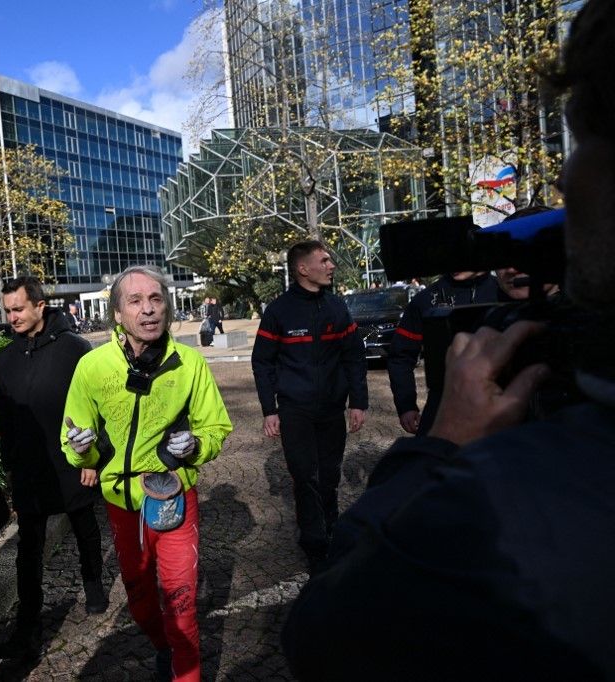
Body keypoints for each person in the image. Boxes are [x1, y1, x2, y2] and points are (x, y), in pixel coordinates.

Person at [282, 2, 615, 677]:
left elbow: (327, 631)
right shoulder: (422, 301)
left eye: (583, 142)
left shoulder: (530, 488)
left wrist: (438, 447)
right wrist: (409, 405)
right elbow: (397, 350)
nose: (564, 179)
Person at [62, 265, 232, 682]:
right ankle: (164, 648)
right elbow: (72, 439)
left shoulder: (189, 363)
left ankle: (184, 669)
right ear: (117, 314)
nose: (148, 309)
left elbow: (216, 427)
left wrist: (196, 446)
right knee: (140, 605)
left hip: (174, 497)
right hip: (121, 503)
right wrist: (82, 450)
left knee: (180, 606)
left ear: (167, 308)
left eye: (156, 299)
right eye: (135, 301)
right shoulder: (92, 366)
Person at [0, 276, 106, 660]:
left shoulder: (75, 348)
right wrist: (9, 465)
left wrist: (94, 457)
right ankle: (28, 625)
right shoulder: (5, 357)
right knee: (28, 548)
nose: (12, 317)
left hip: (72, 461)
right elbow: (5, 416)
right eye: (7, 310)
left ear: (40, 306)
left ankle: (93, 583)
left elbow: (98, 407)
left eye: (18, 309)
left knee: (84, 526)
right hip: (29, 468)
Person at [251, 240, 368, 570]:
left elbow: (354, 357)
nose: (331, 266)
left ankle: (331, 531)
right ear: (303, 269)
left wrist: (358, 402)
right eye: (325, 260)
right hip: (295, 411)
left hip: (332, 409)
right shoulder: (278, 311)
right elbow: (262, 362)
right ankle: (314, 544)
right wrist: (269, 410)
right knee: (305, 477)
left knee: (329, 476)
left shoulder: (337, 308)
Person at [387, 270, 499, 435]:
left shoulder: (505, 292)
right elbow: (400, 356)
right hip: (443, 407)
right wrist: (406, 405)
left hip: (502, 406)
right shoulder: (426, 300)